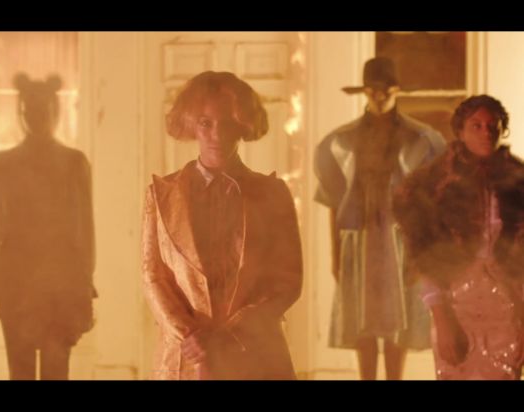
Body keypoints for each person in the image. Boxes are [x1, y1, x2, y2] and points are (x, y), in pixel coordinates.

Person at [142, 71, 302, 380]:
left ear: (243, 125)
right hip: (184, 356)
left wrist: (230, 334)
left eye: (228, 123)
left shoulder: (273, 194)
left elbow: (288, 280)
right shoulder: (161, 195)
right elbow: (153, 276)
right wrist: (191, 336)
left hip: (255, 353)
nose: (217, 135)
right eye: (206, 123)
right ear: (191, 124)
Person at [313, 57, 446, 380]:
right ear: (364, 92)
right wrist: (335, 253)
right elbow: (334, 201)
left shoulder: (421, 140)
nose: (380, 95)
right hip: (359, 235)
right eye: (373, 89)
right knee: (362, 317)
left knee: (398, 317)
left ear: (397, 90)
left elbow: (430, 205)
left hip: (402, 237)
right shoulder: (342, 141)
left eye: (387, 89)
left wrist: (422, 252)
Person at [393, 95, 524, 380]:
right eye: (476, 125)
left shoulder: (518, 180)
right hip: (455, 303)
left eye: (493, 125)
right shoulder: (436, 182)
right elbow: (424, 253)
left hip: (507, 305)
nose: (486, 132)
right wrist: (441, 315)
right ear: (460, 131)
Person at [0, 73, 96, 380]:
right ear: (20, 113)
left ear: (54, 112)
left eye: (42, 110)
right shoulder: (3, 164)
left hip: (60, 286)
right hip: (16, 284)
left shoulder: (74, 163)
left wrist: (84, 285)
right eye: (29, 111)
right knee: (20, 370)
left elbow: (84, 232)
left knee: (56, 370)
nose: (35, 117)